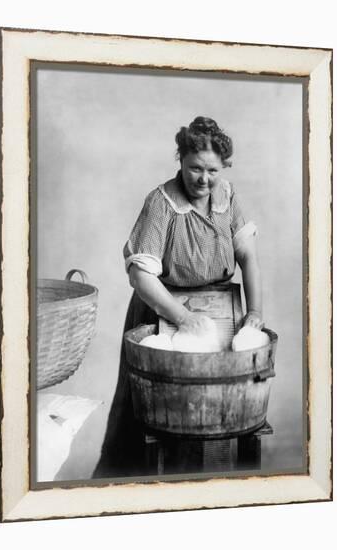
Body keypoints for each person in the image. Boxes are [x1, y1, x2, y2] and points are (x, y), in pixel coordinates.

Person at [93, 116, 263, 478]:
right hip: (162, 310)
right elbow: (141, 277)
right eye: (194, 168)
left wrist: (255, 313)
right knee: (156, 413)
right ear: (180, 160)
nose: (203, 179)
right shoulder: (161, 203)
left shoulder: (227, 197)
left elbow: (247, 256)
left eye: (212, 170)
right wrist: (183, 319)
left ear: (224, 167)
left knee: (217, 403)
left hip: (219, 308)